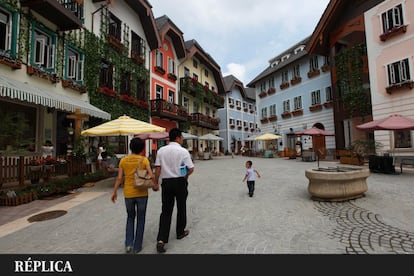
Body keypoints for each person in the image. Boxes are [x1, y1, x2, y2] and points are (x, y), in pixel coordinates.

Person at [111, 137, 156, 254]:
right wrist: (155, 184)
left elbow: (119, 178)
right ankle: (137, 246)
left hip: (128, 194)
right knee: (141, 219)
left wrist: (114, 191)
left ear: (130, 147)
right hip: (142, 193)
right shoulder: (144, 160)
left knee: (130, 217)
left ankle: (128, 244)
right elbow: (151, 176)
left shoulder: (123, 161)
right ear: (142, 148)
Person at [153, 128, 195, 253]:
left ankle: (161, 239)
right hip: (180, 182)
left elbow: (158, 168)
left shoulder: (161, 151)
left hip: (166, 182)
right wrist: (185, 176)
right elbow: (191, 168)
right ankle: (180, 232)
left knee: (166, 210)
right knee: (181, 207)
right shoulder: (183, 151)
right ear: (178, 137)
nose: (182, 139)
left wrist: (156, 182)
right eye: (181, 137)